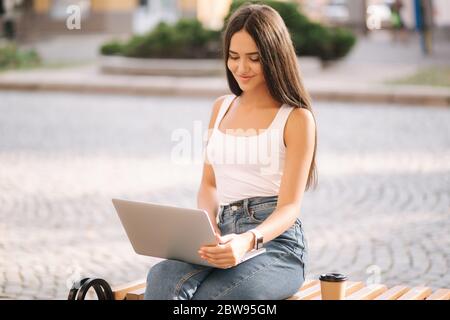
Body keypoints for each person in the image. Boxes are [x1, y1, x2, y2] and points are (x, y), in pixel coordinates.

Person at [144, 3, 317, 300]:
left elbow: (289, 208)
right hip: (222, 235)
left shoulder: (297, 118)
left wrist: (247, 240)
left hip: (276, 246)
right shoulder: (221, 108)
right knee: (161, 278)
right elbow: (209, 184)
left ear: (275, 58)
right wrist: (207, 227)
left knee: (217, 297)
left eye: (254, 59)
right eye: (233, 57)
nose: (241, 68)